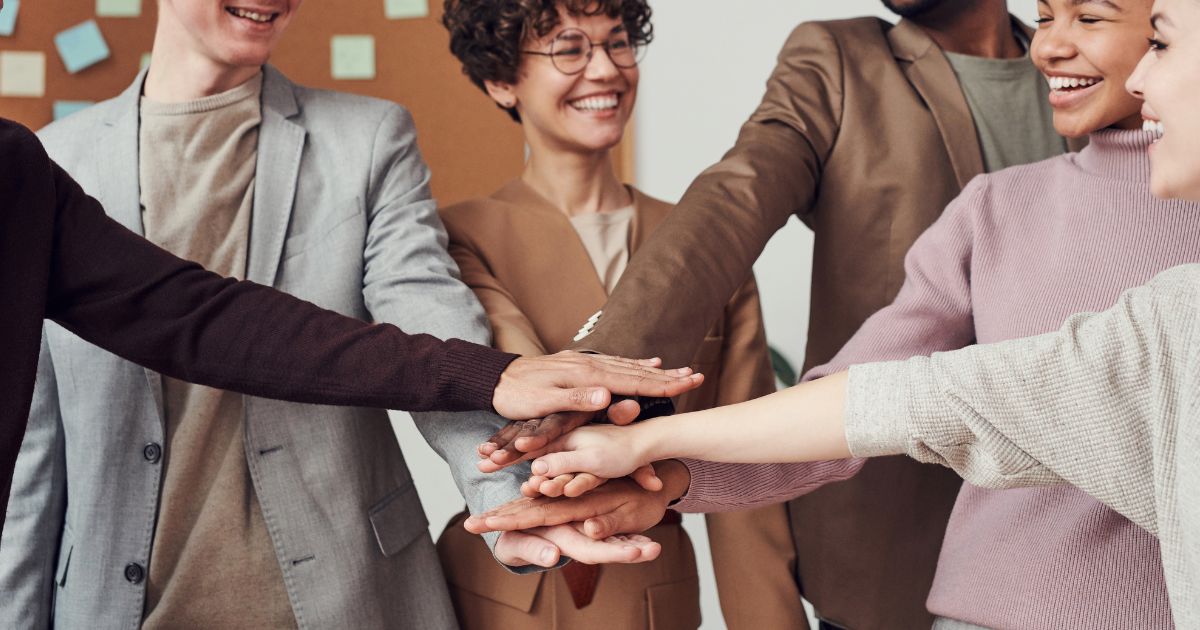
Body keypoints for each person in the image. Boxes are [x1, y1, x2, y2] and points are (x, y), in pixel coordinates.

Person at [467, 0, 1200, 625]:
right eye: (1045, 16)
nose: (1054, 42)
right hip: (941, 575)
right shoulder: (988, 196)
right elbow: (736, 205)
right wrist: (643, 438)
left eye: (1098, 18)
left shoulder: (1166, 250)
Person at [0, 1, 702, 627]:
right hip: (113, 603)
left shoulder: (367, 139)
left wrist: (504, 506)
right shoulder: (52, 164)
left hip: (343, 599)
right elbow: (32, 436)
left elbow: (430, 320)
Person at [434, 1, 776, 628]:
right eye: (569, 48)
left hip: (654, 591)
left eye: (618, 43)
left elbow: (753, 458)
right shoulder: (458, 237)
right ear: (501, 80)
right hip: (495, 595)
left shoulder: (703, 238)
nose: (605, 70)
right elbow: (526, 392)